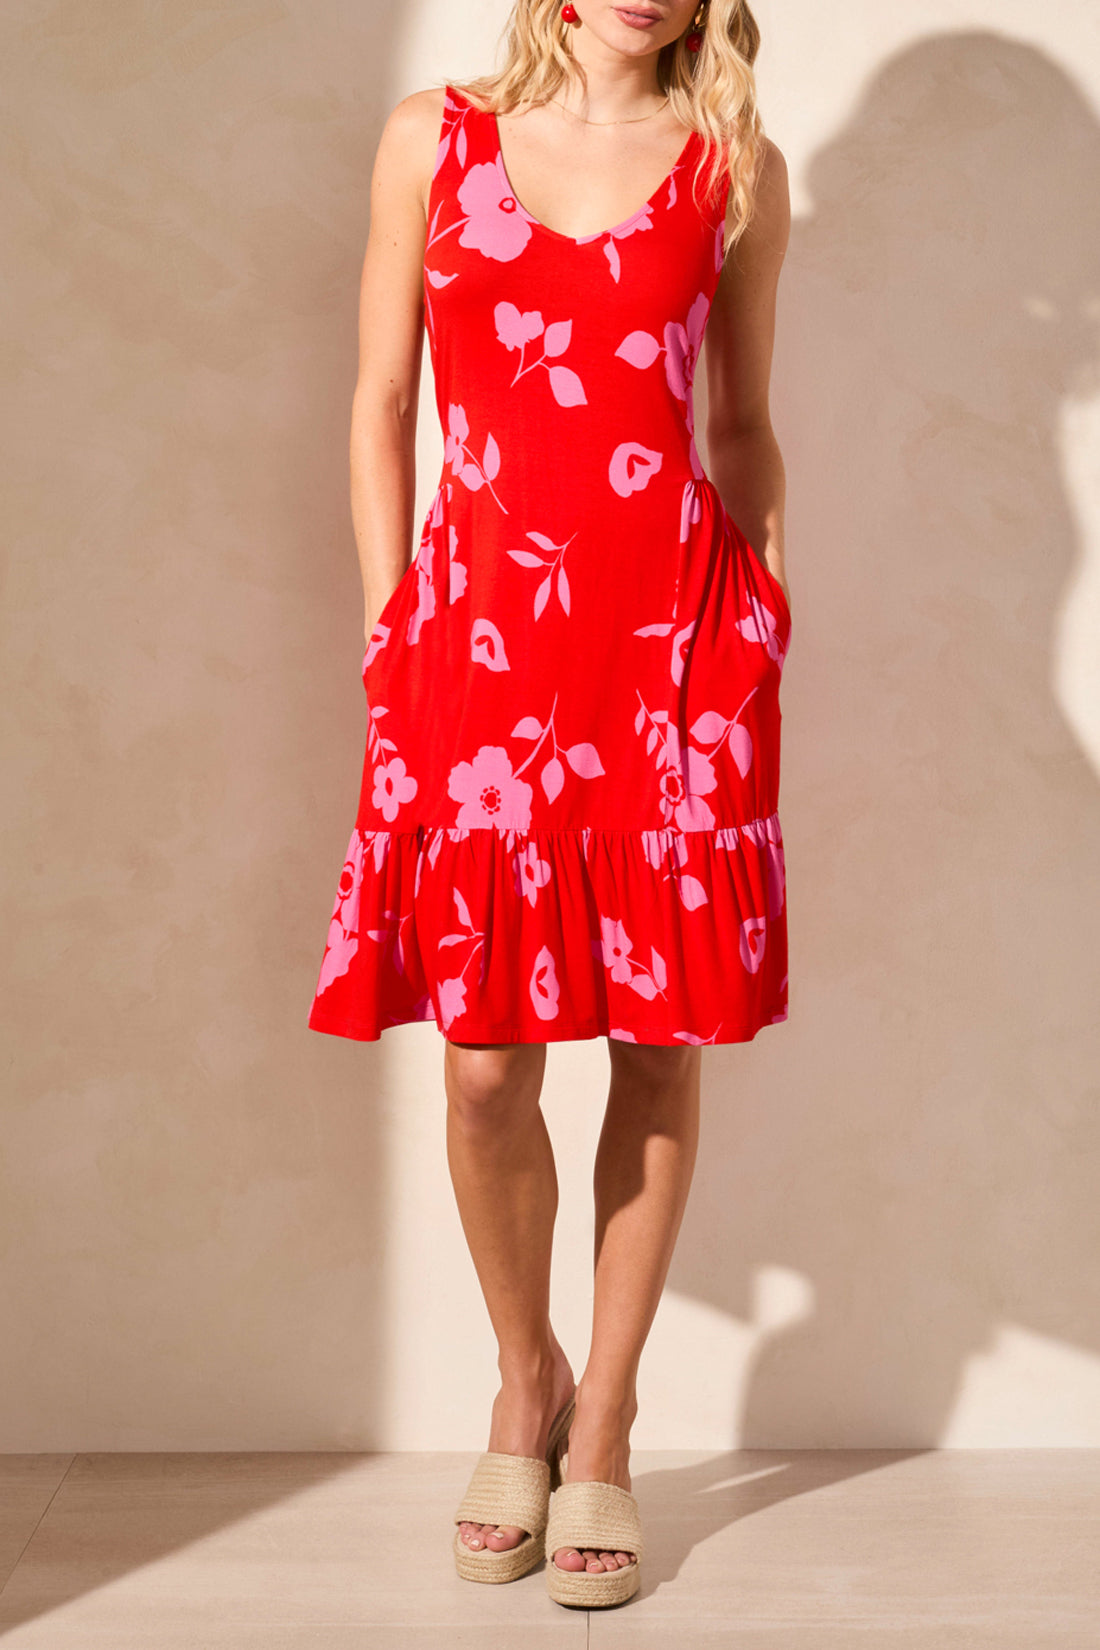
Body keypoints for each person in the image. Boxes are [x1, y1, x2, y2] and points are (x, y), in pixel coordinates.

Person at [307, 0, 791, 1610]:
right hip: (476, 654)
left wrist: (762, 631)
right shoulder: (429, 142)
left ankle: (607, 1429)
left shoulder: (731, 163)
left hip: (670, 656)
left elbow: (738, 425)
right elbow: (382, 405)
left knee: (655, 1039)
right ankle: (528, 1375)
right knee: (486, 1064)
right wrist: (394, 631)